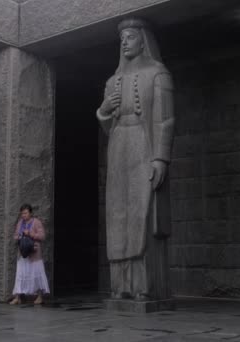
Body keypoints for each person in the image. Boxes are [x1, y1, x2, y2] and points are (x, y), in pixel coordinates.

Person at [96, 17, 175, 301]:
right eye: (122, 39)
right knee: (117, 212)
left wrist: (161, 158)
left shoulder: (158, 74)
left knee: (141, 213)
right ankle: (121, 286)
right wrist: (104, 110)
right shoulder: (112, 81)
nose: (125, 42)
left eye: (130, 37)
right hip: (119, 144)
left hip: (144, 144)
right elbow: (107, 125)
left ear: (143, 39)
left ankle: (145, 286)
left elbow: (165, 120)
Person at [9, 204, 50, 305]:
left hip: (34, 253)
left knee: (37, 274)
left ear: (30, 213)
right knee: (20, 274)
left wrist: (30, 234)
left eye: (25, 213)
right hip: (23, 253)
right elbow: (15, 235)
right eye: (22, 213)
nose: (23, 215)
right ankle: (17, 297)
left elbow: (42, 236)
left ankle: (39, 297)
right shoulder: (20, 223)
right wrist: (18, 236)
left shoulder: (36, 222)